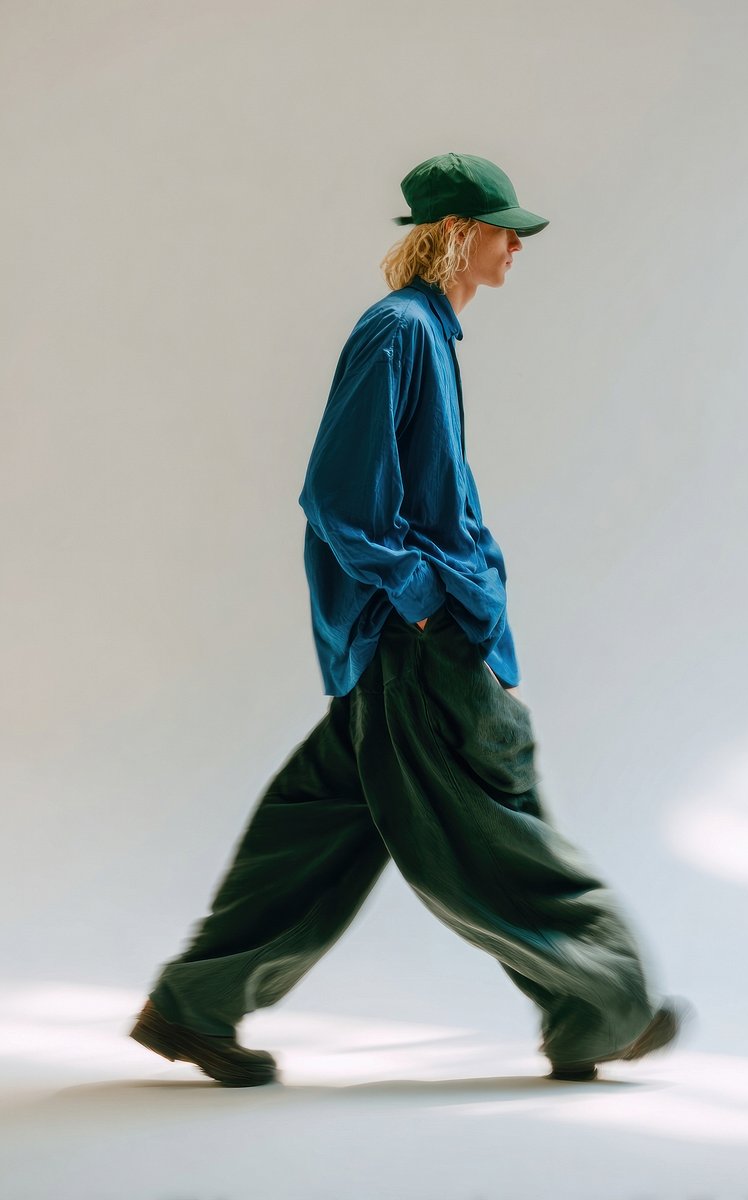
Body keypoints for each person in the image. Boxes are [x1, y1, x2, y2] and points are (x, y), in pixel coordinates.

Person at [130, 152, 688, 1087]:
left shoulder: (424, 331)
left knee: (312, 834)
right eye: (506, 231)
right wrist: (425, 601)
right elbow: (338, 496)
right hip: (413, 649)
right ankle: (605, 1005)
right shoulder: (400, 332)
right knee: (492, 828)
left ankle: (194, 1006)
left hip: (396, 646)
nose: (517, 247)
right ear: (461, 235)